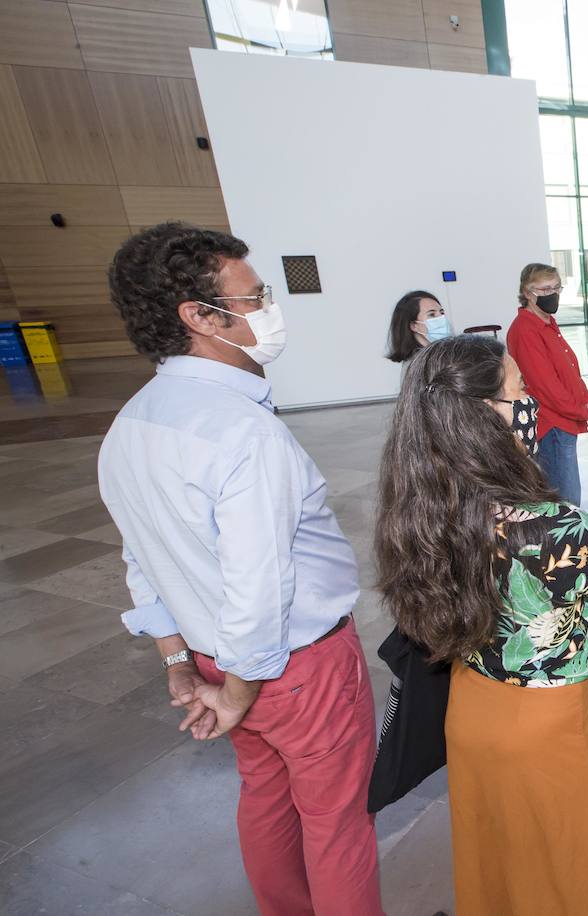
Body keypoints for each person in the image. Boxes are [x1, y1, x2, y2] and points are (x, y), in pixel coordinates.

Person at [99, 222, 383, 915]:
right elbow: (261, 588)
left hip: (215, 659)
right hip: (292, 666)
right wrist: (243, 689)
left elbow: (143, 558)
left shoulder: (130, 426)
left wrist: (178, 661)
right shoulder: (243, 433)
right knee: (338, 822)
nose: (268, 311)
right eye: (254, 299)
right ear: (199, 318)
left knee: (267, 796)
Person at [374, 335, 588, 915]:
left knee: (499, 866)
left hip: (471, 708)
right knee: (582, 871)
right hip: (549, 724)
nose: (530, 401)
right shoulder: (552, 524)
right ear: (483, 415)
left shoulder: (418, 507)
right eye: (520, 389)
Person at [506, 263, 588, 503]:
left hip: (563, 419)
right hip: (552, 423)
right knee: (565, 500)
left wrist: (585, 399)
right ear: (527, 292)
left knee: (565, 496)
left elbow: (568, 369)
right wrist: (579, 409)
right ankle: (565, 542)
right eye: (544, 290)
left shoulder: (546, 323)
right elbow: (546, 386)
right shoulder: (526, 330)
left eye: (556, 287)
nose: (552, 294)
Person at [386, 289, 450, 362]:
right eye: (432, 314)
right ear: (414, 325)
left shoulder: (438, 355)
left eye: (442, 313)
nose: (441, 318)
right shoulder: (421, 364)